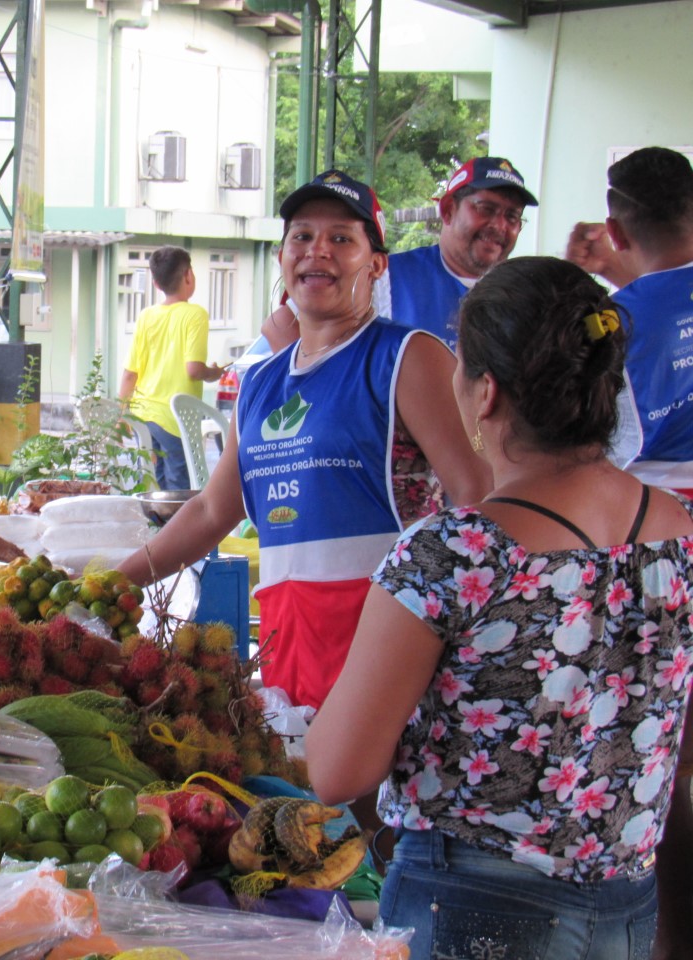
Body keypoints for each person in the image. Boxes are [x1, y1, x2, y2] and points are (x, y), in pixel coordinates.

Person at [305, 256, 693, 960]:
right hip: (627, 907)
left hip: (474, 905)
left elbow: (338, 773)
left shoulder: (454, 553)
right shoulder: (680, 533)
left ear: (484, 393)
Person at [117, 170, 490, 712]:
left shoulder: (408, 356)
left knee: (367, 792)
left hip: (386, 645)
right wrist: (112, 584)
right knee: (305, 789)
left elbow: (477, 499)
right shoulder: (261, 382)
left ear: (376, 263)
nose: (319, 251)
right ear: (282, 256)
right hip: (289, 639)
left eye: (342, 238)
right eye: (303, 236)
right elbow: (210, 512)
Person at [565, 146, 693, 960]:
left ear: (614, 226)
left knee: (661, 765)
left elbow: (589, 454)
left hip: (651, 550)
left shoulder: (616, 322)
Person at [264, 157, 537, 353]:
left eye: (512, 217)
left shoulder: (520, 293)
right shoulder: (384, 274)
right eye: (486, 209)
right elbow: (280, 325)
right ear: (449, 211)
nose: (499, 226)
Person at [566, 146, 693, 496]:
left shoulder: (604, 322)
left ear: (615, 233)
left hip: (653, 519)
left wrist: (571, 283)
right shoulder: (618, 315)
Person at [117, 246, 225, 490]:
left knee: (155, 485)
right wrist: (213, 373)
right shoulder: (195, 314)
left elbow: (130, 373)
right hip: (175, 419)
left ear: (155, 283)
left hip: (144, 417)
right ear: (188, 275)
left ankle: (159, 528)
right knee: (180, 491)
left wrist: (120, 415)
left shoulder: (146, 316)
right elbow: (194, 370)